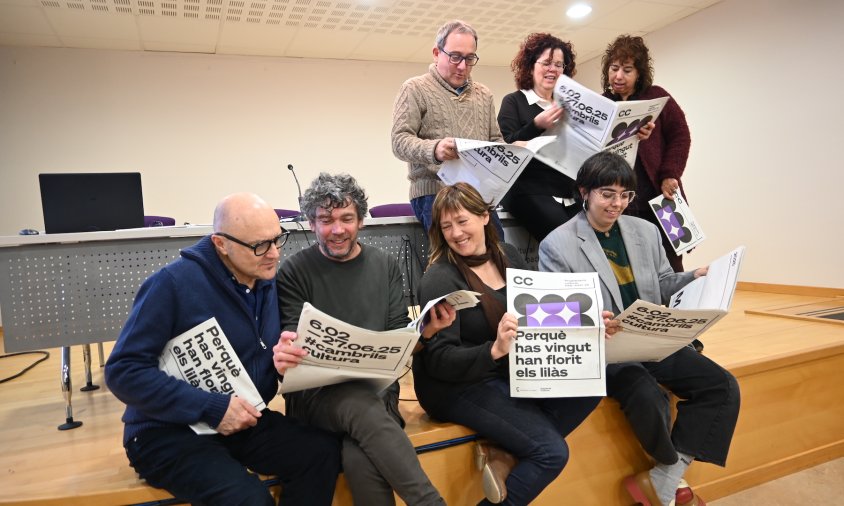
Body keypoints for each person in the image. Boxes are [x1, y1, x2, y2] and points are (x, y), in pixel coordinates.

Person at [105, 193, 341, 506]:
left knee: (321, 452)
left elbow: (257, 365)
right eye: (260, 245)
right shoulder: (172, 284)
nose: (273, 254)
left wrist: (281, 362)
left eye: (277, 239)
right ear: (221, 244)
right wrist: (213, 409)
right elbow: (123, 371)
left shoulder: (266, 280)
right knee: (249, 499)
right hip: (165, 432)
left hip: (241, 421)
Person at [538, 152, 740, 506]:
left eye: (624, 195)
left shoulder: (645, 231)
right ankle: (666, 477)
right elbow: (556, 312)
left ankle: (666, 476)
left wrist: (694, 278)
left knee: (721, 385)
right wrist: (588, 319)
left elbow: (662, 283)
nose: (617, 204)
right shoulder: (557, 244)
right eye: (607, 194)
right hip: (606, 347)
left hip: (652, 337)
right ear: (584, 192)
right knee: (646, 394)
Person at [414, 181, 603, 505]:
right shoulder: (440, 278)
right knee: (550, 453)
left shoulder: (509, 255)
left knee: (591, 386)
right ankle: (512, 448)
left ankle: (503, 451)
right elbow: (438, 359)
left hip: (505, 371)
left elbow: (540, 312)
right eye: (447, 226)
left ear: (485, 216)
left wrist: (593, 320)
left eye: (462, 221)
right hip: (456, 386)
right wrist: (494, 350)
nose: (456, 233)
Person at [273, 173, 450, 506]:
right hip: (317, 399)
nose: (337, 229)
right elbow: (294, 346)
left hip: (377, 392)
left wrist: (424, 333)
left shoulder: (384, 265)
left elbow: (398, 335)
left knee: (360, 458)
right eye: (326, 220)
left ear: (361, 221)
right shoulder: (294, 271)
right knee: (360, 407)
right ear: (312, 223)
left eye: (346, 219)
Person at [391, 19, 505, 236]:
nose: (462, 66)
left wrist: (510, 154)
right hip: (434, 192)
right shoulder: (415, 88)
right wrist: (434, 150)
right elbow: (399, 141)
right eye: (455, 57)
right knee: (457, 259)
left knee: (499, 252)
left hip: (477, 194)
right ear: (436, 53)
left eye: (470, 58)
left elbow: (495, 140)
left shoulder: (484, 94)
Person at [601, 34, 692, 272]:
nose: (618, 76)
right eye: (614, 68)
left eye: (627, 70)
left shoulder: (657, 96)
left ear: (639, 73)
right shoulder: (602, 103)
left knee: (671, 259)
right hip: (620, 199)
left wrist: (670, 174)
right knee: (628, 262)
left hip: (660, 195)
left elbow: (681, 135)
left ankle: (676, 308)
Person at [496, 32, 580, 242]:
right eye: (547, 63)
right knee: (567, 243)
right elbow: (504, 147)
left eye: (559, 65)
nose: (553, 69)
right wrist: (536, 125)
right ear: (531, 66)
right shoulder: (514, 101)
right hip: (527, 190)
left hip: (569, 192)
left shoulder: (570, 105)